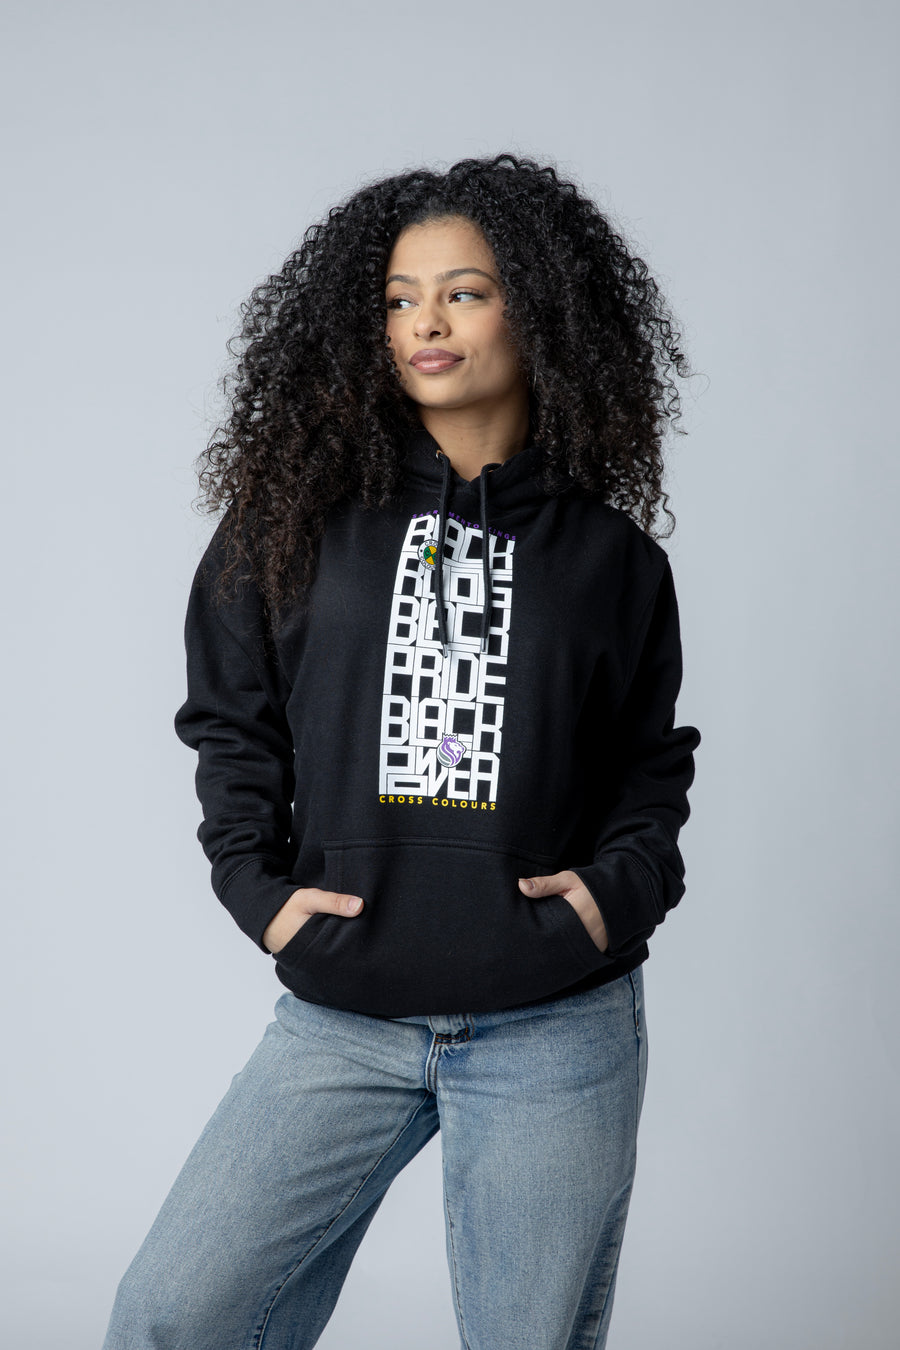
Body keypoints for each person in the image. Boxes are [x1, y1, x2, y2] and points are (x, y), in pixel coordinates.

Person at [102, 151, 701, 1350]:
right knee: (172, 1317)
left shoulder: (613, 560)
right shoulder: (288, 527)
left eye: (465, 292)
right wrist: (257, 891)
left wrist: (615, 892)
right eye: (397, 298)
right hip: (346, 1015)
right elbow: (230, 721)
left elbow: (649, 765)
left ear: (543, 311)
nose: (425, 323)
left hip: (555, 1022)